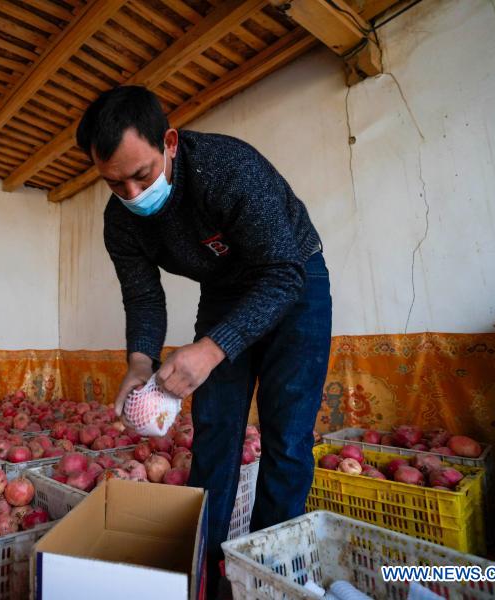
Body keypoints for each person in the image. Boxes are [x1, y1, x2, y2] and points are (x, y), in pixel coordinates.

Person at [76, 85, 332, 591]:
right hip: (223, 292)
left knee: (287, 438)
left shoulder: (227, 168)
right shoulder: (120, 223)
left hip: (295, 281)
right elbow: (144, 298)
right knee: (214, 433)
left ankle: (268, 577)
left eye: (141, 175)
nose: (130, 194)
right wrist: (140, 364)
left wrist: (213, 348)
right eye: (114, 183)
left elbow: (282, 274)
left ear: (169, 142)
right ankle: (206, 580)